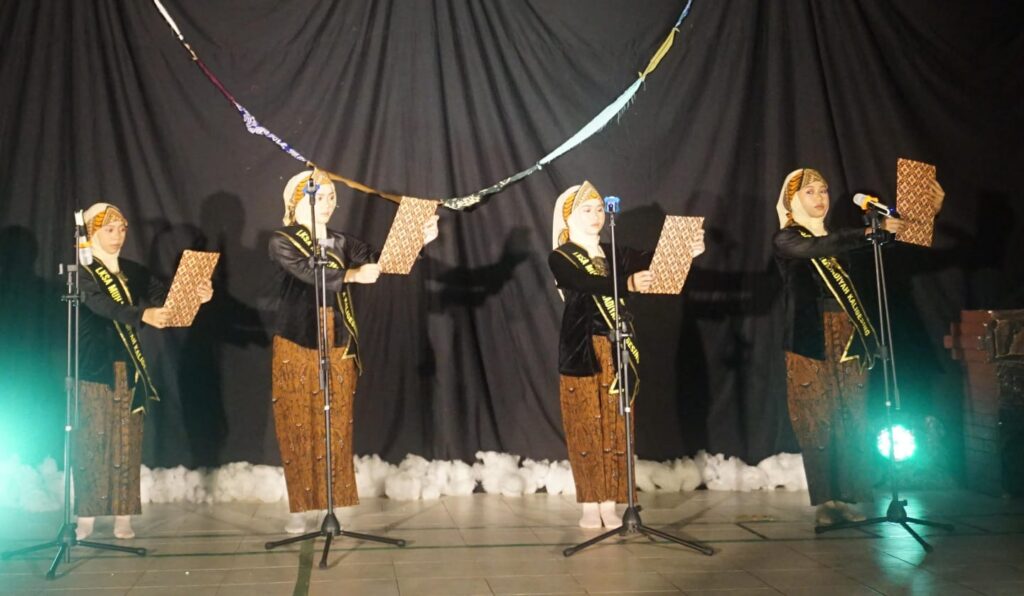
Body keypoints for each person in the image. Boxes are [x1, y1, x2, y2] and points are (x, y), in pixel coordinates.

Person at [268, 170, 439, 533]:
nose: (327, 204)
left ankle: (330, 502)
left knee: (337, 422)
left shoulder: (341, 241)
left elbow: (383, 259)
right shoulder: (283, 241)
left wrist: (417, 239)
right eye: (320, 196)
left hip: (339, 338)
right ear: (297, 201)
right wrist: (351, 275)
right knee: (298, 421)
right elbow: (307, 272)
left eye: (332, 197)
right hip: (298, 339)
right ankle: (301, 505)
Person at [772, 168, 944, 525]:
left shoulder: (845, 240)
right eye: (809, 192)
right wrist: (866, 233)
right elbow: (817, 247)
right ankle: (825, 502)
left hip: (850, 335)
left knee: (853, 417)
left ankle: (848, 498)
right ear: (792, 200)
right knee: (816, 420)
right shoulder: (786, 239)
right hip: (808, 340)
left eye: (823, 190)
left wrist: (926, 213)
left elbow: (891, 243)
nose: (819, 198)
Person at [548, 181, 704, 528]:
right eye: (586, 210)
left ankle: (611, 501)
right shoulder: (561, 257)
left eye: (599, 209)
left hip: (617, 345)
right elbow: (583, 284)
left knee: (619, 426)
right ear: (568, 217)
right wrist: (627, 284)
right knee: (586, 426)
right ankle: (590, 503)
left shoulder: (612, 250)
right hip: (582, 349)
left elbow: (652, 260)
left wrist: (685, 250)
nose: (596, 216)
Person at [76, 202, 213, 540]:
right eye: (109, 229)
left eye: (122, 229)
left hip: (129, 365)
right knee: (92, 442)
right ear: (92, 232)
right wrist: (142, 315)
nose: (118, 236)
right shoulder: (82, 272)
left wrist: (196, 296)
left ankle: (123, 515)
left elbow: (165, 297)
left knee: (127, 442)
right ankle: (86, 516)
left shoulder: (133, 270)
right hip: (93, 366)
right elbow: (104, 306)